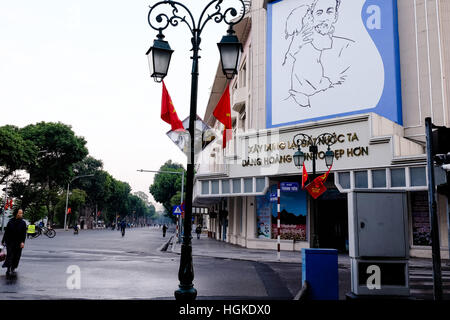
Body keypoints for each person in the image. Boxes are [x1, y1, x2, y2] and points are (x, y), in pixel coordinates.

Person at [1, 208, 27, 277]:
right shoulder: (10, 222)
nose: (21, 214)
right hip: (10, 242)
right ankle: (8, 269)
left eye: (22, 213)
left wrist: (22, 242)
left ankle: (13, 267)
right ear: (16, 213)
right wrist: (3, 241)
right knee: (10, 255)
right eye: (20, 213)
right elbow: (6, 232)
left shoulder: (23, 223)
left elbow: (24, 234)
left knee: (16, 256)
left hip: (18, 242)